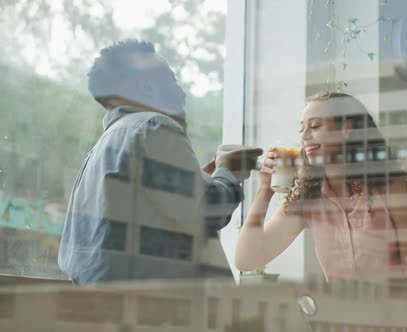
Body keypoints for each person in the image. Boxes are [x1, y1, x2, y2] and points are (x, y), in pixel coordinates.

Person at [58, 40, 262, 284]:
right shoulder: (152, 127)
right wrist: (228, 171)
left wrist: (201, 178)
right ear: (146, 87)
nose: (181, 92)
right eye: (171, 80)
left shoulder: (99, 152)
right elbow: (207, 209)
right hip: (161, 314)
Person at [235, 92, 407, 280]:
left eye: (315, 126)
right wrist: (264, 190)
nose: (304, 136)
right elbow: (247, 260)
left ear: (346, 129)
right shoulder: (309, 198)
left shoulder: (392, 188)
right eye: (301, 129)